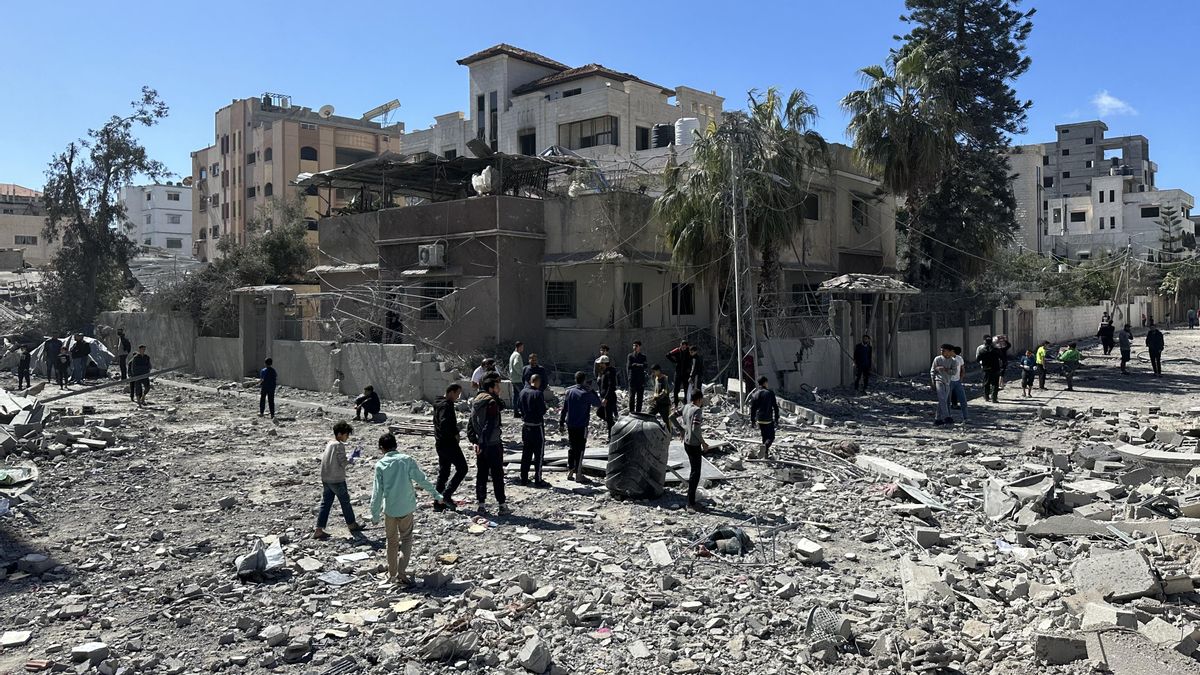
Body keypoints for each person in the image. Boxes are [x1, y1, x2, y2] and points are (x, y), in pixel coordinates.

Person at [370, 432, 442, 586]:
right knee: (407, 539)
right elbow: (421, 479)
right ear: (396, 445)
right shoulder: (406, 460)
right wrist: (436, 494)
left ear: (381, 448)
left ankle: (392, 574)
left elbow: (377, 492)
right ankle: (402, 573)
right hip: (406, 507)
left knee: (391, 542)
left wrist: (374, 514)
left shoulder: (380, 465)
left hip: (390, 509)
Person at [313, 420, 363, 540]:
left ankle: (319, 529)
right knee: (345, 502)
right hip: (337, 479)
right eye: (346, 434)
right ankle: (352, 524)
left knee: (326, 504)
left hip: (326, 478)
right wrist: (353, 457)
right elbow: (343, 462)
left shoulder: (330, 443)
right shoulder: (339, 445)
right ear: (340, 434)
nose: (347, 437)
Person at [468, 374, 509, 514]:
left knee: (482, 475)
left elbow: (470, 424)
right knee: (497, 475)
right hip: (492, 444)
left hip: (480, 445)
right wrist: (483, 443)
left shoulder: (476, 400)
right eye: (497, 387)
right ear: (491, 388)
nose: (499, 390)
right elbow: (489, 424)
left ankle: (481, 504)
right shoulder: (491, 402)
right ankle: (502, 505)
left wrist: (475, 441)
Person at [559, 371, 601, 483]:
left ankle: (570, 470)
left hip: (570, 424)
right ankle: (578, 473)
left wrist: (561, 423)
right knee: (580, 449)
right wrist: (592, 390)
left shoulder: (569, 392)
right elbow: (598, 403)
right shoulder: (585, 393)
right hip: (581, 425)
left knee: (572, 447)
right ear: (584, 380)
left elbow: (564, 409)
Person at [672, 390, 709, 513]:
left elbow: (671, 416)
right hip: (694, 444)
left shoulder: (686, 407)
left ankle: (690, 501)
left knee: (694, 472)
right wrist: (703, 442)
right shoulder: (697, 410)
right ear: (699, 399)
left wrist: (681, 430)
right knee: (695, 473)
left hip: (687, 443)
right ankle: (691, 503)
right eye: (701, 400)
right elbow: (695, 429)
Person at [432, 384, 466, 512]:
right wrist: (455, 432)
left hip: (440, 443)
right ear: (451, 392)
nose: (458, 397)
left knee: (444, 472)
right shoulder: (446, 406)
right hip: (448, 443)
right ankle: (446, 495)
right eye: (457, 394)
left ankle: (438, 502)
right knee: (462, 468)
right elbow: (445, 424)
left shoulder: (439, 403)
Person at [517, 373, 549, 487]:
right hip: (537, 427)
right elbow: (542, 410)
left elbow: (518, 406)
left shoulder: (522, 392)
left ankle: (524, 478)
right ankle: (538, 479)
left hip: (526, 426)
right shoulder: (538, 393)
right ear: (537, 382)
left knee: (526, 453)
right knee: (539, 454)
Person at [747, 376, 780, 458]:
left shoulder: (755, 394)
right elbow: (775, 407)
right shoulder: (770, 393)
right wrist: (776, 419)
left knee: (764, 436)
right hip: (768, 419)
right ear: (765, 382)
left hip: (759, 419)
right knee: (771, 437)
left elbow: (753, 409)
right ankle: (765, 448)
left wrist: (752, 421)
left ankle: (765, 454)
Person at [929, 344, 956, 426]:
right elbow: (932, 371)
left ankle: (937, 419)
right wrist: (932, 381)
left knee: (942, 400)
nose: (942, 352)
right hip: (939, 380)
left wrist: (945, 369)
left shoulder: (953, 361)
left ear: (949, 351)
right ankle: (947, 417)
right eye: (941, 350)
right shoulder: (937, 359)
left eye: (943, 350)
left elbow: (954, 372)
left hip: (947, 382)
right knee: (942, 398)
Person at [596, 355, 618, 437]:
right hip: (604, 398)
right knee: (599, 413)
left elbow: (611, 386)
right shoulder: (604, 372)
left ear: (605, 363)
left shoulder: (610, 372)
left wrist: (606, 398)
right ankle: (614, 425)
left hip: (609, 398)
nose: (599, 365)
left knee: (608, 417)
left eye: (601, 363)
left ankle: (611, 436)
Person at [648, 365, 674, 434]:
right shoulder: (656, 378)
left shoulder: (664, 378)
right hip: (657, 403)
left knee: (667, 420)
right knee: (649, 415)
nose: (653, 373)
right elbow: (656, 390)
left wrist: (656, 398)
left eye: (654, 371)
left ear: (658, 370)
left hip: (664, 404)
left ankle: (669, 434)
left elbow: (664, 392)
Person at [666, 340, 692, 407]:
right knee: (676, 389)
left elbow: (693, 358)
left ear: (686, 346)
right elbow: (668, 355)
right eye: (682, 346)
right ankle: (676, 403)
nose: (683, 348)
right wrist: (674, 361)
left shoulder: (689, 352)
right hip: (678, 372)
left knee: (686, 389)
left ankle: (686, 403)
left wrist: (690, 368)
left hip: (686, 373)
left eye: (684, 347)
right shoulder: (677, 350)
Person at [978, 339, 1003, 403]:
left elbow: (978, 359)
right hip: (995, 368)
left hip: (986, 369)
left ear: (985, 343)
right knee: (995, 384)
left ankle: (986, 397)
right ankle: (994, 398)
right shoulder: (996, 350)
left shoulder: (982, 351)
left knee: (986, 383)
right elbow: (1001, 356)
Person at [627, 340, 647, 414]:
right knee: (632, 397)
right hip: (632, 379)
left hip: (640, 380)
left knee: (639, 398)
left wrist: (636, 365)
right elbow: (629, 366)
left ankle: (638, 412)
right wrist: (639, 365)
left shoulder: (643, 357)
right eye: (633, 345)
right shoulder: (630, 356)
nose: (634, 347)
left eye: (636, 346)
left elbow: (645, 366)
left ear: (639, 347)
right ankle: (631, 412)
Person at [949, 346, 968, 420]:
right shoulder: (948, 359)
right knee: (947, 401)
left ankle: (965, 417)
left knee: (963, 400)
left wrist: (961, 378)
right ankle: (947, 417)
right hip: (949, 382)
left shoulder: (959, 358)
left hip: (957, 382)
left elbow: (962, 369)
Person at [508, 342, 525, 419]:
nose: (523, 349)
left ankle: (516, 412)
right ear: (519, 347)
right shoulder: (517, 355)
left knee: (516, 396)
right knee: (523, 395)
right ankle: (524, 412)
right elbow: (516, 364)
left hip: (513, 378)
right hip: (518, 379)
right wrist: (521, 373)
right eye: (522, 347)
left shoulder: (512, 354)